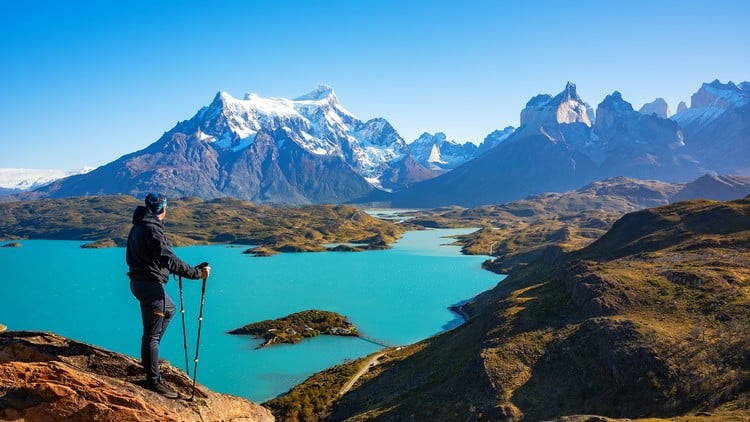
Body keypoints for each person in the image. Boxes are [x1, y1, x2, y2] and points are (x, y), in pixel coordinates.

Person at [126, 193, 211, 398]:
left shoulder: (139, 226)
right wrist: (196, 273)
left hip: (141, 283)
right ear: (162, 209)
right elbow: (168, 259)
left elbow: (155, 259)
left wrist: (187, 269)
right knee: (152, 334)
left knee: (169, 309)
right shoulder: (152, 229)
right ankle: (153, 381)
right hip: (150, 288)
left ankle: (150, 359)